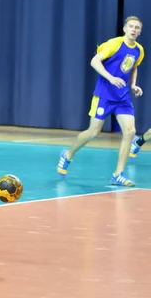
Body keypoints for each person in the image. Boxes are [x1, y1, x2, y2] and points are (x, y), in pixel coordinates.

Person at [57, 16, 144, 186]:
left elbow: (133, 67)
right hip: (104, 95)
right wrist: (111, 78)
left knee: (130, 131)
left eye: (137, 27)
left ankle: (118, 174)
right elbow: (94, 61)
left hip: (122, 97)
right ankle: (68, 154)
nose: (134, 29)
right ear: (125, 29)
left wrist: (133, 84)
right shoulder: (114, 44)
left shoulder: (139, 50)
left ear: (140, 31)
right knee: (93, 132)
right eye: (131, 26)